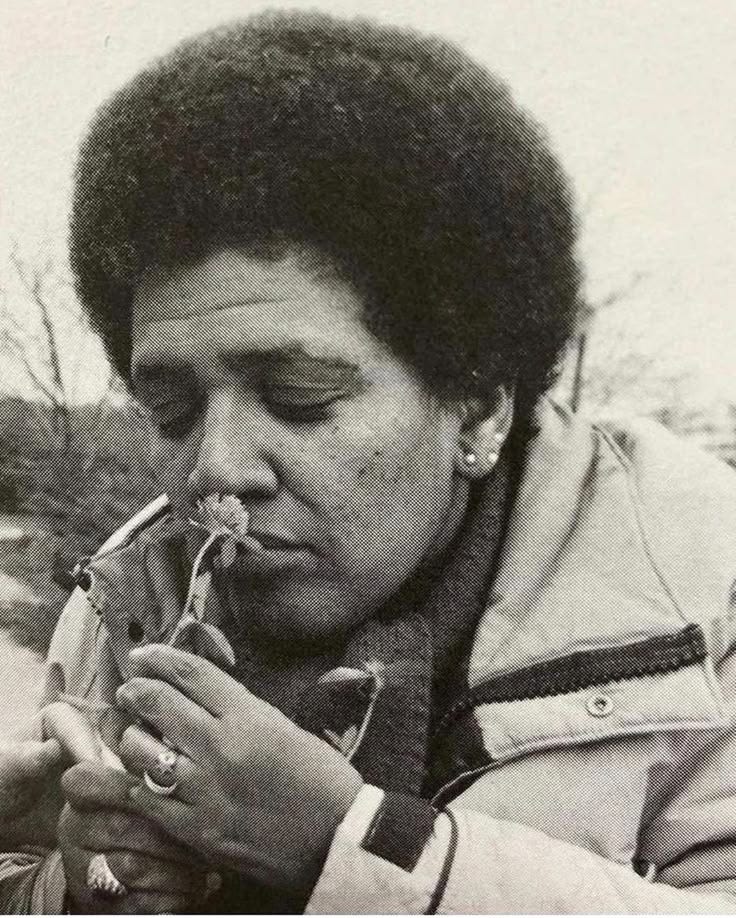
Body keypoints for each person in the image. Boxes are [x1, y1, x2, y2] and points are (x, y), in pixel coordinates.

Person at [2, 8, 736, 913]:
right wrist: (75, 887)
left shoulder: (705, 598)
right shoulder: (123, 598)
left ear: (478, 409)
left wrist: (347, 846)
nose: (214, 469)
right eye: (172, 410)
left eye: (299, 397)